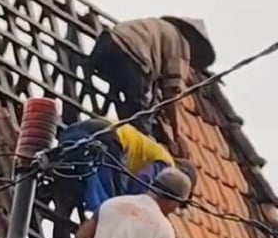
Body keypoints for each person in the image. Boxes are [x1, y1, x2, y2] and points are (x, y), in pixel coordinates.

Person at [87, 17, 216, 157]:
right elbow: (171, 93)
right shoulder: (181, 44)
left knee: (133, 107)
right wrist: (177, 133)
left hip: (106, 44)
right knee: (140, 126)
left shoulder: (159, 29)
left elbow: (154, 90)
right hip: (132, 57)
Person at [58, 117, 197, 212]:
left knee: (97, 189)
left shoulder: (154, 153)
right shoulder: (167, 165)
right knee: (113, 207)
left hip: (75, 133)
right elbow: (141, 182)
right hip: (108, 140)